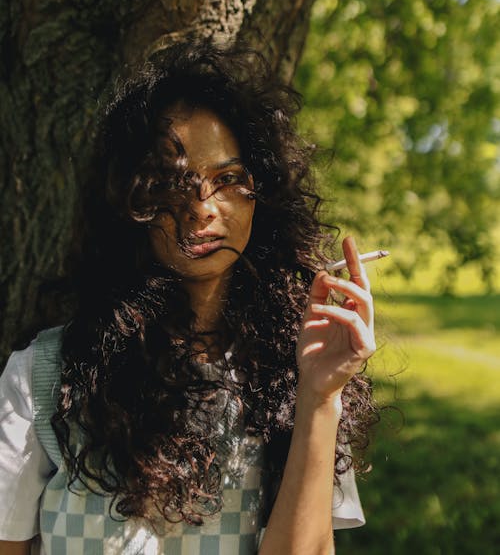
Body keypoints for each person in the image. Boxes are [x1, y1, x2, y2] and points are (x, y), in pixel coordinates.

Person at [0, 40, 378, 555]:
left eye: (227, 179)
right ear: (131, 198)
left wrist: (320, 395)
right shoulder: (45, 378)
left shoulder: (290, 376)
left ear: (260, 193)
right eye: (173, 183)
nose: (203, 209)